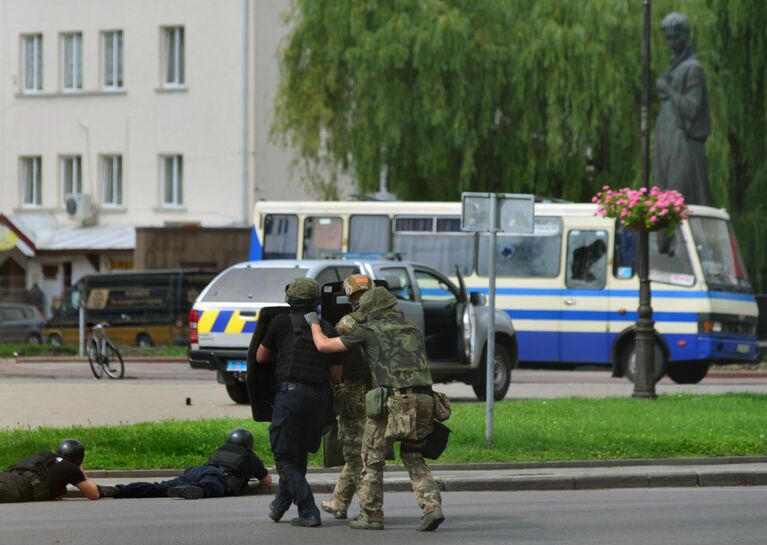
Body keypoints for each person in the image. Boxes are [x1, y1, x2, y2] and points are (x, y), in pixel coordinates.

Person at [306, 285, 444, 532]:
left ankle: (371, 515)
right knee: (414, 457)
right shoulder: (413, 329)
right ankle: (432, 507)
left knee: (371, 459)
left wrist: (314, 322)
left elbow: (325, 346)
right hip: (426, 400)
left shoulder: (369, 330)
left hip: (393, 402)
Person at [255, 277, 341, 528]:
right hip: (318, 400)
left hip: (290, 396)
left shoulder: (281, 323)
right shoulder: (326, 327)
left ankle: (308, 510)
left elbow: (260, 357)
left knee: (283, 454)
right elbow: (336, 376)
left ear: (289, 299)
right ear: (316, 302)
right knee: (297, 455)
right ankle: (279, 506)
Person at [320, 274, 373, 520]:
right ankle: (339, 501)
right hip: (378, 394)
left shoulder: (349, 323)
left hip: (353, 395)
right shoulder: (384, 318)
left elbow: (328, 348)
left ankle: (369, 510)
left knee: (356, 454)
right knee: (361, 452)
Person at [98, 428, 271, 499]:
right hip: (217, 476)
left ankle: (120, 489)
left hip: (197, 471)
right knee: (213, 487)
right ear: (249, 444)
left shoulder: (221, 449)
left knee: (159, 487)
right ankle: (198, 490)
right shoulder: (250, 457)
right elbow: (268, 481)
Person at [653, 12, 713, 206]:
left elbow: (692, 108)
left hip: (682, 143)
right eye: (668, 38)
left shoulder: (693, 68)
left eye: (675, 36)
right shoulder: (673, 68)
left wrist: (667, 89)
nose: (671, 42)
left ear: (685, 35)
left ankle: (682, 235)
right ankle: (663, 235)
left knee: (680, 193)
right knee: (663, 191)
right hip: (666, 142)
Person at [0, 439, 100, 503]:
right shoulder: (70, 468)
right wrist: (80, 470)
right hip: (17, 487)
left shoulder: (45, 455)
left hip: (7, 476)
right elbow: (93, 494)